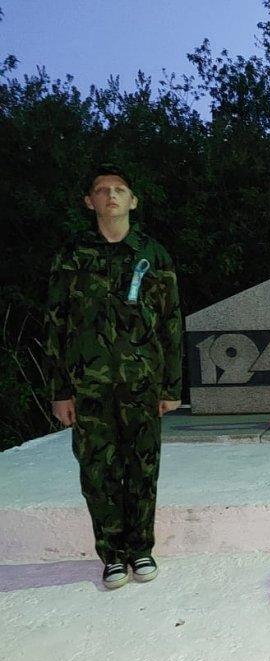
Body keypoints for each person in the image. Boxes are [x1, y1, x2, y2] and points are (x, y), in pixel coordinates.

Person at [45, 164, 183, 589]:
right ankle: (112, 554)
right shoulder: (72, 255)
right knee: (97, 470)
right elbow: (56, 322)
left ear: (133, 201)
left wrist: (171, 386)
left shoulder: (152, 254)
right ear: (90, 202)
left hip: (142, 383)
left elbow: (171, 322)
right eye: (102, 190)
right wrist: (60, 391)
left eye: (120, 190)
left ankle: (140, 548)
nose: (111, 196)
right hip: (88, 385)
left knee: (142, 467)